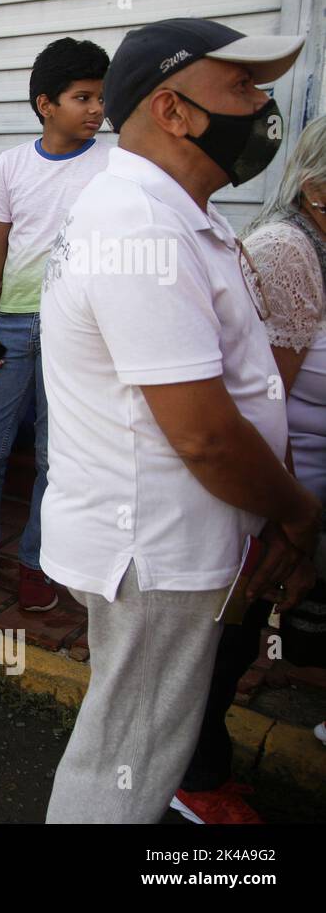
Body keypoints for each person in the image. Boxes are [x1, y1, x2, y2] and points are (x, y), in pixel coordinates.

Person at [41, 18, 317, 824]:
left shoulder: (170, 211)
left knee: (137, 743)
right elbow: (200, 430)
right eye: (241, 87)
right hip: (155, 545)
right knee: (125, 759)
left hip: (169, 538)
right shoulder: (141, 225)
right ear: (172, 110)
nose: (264, 104)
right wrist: (296, 513)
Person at [170, 114, 326, 824]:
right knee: (224, 648)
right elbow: (264, 402)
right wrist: (287, 517)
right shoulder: (287, 253)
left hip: (292, 502)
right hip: (271, 495)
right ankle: (194, 779)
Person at [0, 37, 111, 612]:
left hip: (76, 331)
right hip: (8, 327)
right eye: (81, 97)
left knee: (57, 457)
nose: (95, 109)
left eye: (100, 98)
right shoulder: (11, 163)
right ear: (45, 103)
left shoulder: (114, 164)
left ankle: (39, 563)